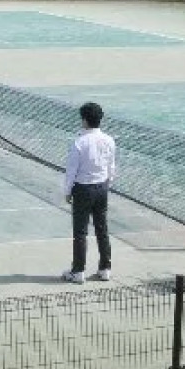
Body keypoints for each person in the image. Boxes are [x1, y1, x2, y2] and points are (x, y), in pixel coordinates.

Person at [61, 101, 117, 284]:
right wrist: (107, 183)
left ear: (84, 120)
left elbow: (71, 170)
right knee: (102, 229)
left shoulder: (79, 143)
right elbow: (111, 167)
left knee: (80, 232)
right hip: (102, 188)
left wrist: (68, 191)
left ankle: (78, 271)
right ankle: (105, 268)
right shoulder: (109, 140)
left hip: (83, 189)